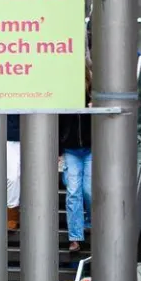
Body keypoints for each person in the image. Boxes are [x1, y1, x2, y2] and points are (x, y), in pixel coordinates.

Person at [61, 72, 93, 254]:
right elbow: (58, 120)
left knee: (88, 189)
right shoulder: (64, 93)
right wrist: (58, 149)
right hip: (71, 149)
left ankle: (89, 222)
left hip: (90, 148)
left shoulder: (94, 94)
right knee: (73, 191)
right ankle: (75, 237)